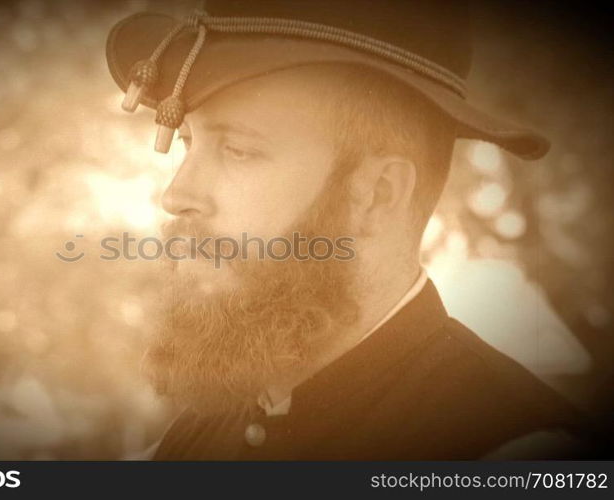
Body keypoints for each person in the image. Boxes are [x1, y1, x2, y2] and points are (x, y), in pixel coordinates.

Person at [106, 0, 598, 459]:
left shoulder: (517, 452)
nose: (176, 195)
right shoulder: (194, 439)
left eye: (239, 150)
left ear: (377, 194)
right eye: (188, 144)